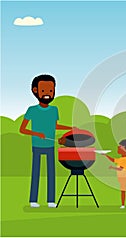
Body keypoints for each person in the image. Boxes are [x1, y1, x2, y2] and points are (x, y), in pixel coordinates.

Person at [20, 74, 74, 208]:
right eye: (44, 91)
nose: (47, 94)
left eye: (51, 91)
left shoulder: (54, 110)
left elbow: (55, 126)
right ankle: (33, 200)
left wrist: (70, 128)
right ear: (35, 91)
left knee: (51, 173)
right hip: (37, 145)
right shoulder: (32, 110)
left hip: (50, 146)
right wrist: (36, 133)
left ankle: (51, 200)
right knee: (36, 172)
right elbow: (22, 129)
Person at [102, 139, 126, 209]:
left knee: (123, 191)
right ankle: (123, 204)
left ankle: (123, 204)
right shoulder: (122, 158)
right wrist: (105, 155)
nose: (119, 147)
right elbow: (113, 160)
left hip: (124, 177)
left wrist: (112, 168)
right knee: (122, 190)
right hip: (121, 177)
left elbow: (120, 169)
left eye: (121, 146)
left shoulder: (124, 160)